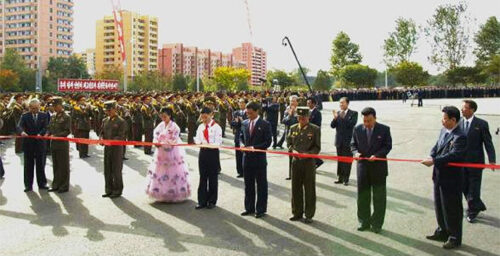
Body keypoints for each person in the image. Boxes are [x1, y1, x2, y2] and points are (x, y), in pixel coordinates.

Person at [421, 106, 467, 250]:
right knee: (440, 206)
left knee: (452, 209)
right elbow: (436, 147)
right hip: (439, 176)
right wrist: (431, 155)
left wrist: (434, 161)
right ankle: (442, 231)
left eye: (444, 119)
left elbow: (454, 155)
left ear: (453, 120)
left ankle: (454, 237)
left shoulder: (461, 136)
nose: (442, 121)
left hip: (452, 179)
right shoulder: (444, 131)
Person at [351, 107, 392, 233]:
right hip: (363, 167)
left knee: (379, 198)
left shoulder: (384, 129)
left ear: (375, 118)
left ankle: (377, 224)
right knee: (363, 196)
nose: (367, 124)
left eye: (369, 121)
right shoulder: (357, 129)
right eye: (364, 121)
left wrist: (378, 155)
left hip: (378, 168)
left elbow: (387, 146)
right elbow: (353, 144)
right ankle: (364, 221)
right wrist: (355, 153)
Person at [459, 100, 495, 223]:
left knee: (474, 188)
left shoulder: (481, 124)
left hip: (476, 162)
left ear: (472, 110)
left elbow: (488, 143)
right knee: (464, 186)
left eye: (464, 107)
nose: (462, 109)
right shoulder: (458, 122)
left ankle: (472, 211)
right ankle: (477, 204)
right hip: (460, 162)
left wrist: (492, 160)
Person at [146, 107, 190, 202]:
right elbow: (156, 134)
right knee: (161, 171)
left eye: (165, 116)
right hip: (161, 152)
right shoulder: (160, 125)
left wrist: (163, 143)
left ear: (170, 116)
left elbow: (174, 140)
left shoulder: (175, 127)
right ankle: (161, 193)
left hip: (172, 151)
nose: (163, 118)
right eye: (162, 116)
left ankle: (173, 193)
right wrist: (156, 142)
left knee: (173, 171)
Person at [287, 107, 321, 224]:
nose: (301, 120)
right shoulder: (292, 128)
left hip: (308, 163)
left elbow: (317, 147)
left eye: (304, 117)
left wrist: (308, 154)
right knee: (295, 187)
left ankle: (309, 214)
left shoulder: (315, 129)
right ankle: (297, 212)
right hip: (296, 162)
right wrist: (293, 151)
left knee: (309, 188)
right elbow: (289, 144)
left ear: (308, 117)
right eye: (299, 117)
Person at [240, 101, 272, 219]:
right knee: (248, 185)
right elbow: (241, 137)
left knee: (261, 185)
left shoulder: (265, 124)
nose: (248, 115)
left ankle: (261, 209)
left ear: (257, 111)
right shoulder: (244, 123)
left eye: (250, 113)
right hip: (246, 159)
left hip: (259, 160)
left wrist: (254, 148)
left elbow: (268, 142)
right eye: (247, 113)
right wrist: (242, 145)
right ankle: (249, 208)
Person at [17, 98, 50, 192]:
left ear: (39, 107)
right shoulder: (25, 116)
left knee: (41, 164)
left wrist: (41, 133)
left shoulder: (44, 115)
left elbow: (46, 127)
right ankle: (28, 185)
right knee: (28, 165)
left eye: (37, 108)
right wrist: (22, 132)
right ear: (29, 108)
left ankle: (42, 183)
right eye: (33, 108)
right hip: (28, 144)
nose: (35, 110)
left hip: (40, 143)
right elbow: (19, 126)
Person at [194, 106, 222, 209]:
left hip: (213, 153)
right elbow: (196, 139)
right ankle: (202, 201)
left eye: (206, 117)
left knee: (213, 178)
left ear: (211, 115)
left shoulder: (216, 127)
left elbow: (218, 142)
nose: (204, 120)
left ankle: (212, 201)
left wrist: (209, 144)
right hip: (203, 152)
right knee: (203, 177)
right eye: (202, 118)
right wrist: (199, 143)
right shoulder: (201, 127)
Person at [100, 101, 127, 199]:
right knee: (107, 169)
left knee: (116, 170)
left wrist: (111, 141)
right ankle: (108, 189)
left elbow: (121, 136)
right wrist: (102, 139)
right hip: (107, 148)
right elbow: (102, 132)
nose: (108, 112)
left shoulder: (121, 121)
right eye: (106, 110)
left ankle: (117, 190)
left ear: (115, 109)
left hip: (116, 149)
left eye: (109, 110)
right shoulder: (105, 120)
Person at [45, 97, 71, 193]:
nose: (54, 108)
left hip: (62, 144)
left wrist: (56, 136)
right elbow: (49, 127)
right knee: (55, 165)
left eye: (55, 106)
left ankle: (64, 185)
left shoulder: (66, 116)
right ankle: (56, 184)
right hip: (54, 143)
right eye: (53, 106)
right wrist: (47, 134)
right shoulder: (53, 116)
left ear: (60, 105)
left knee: (63, 165)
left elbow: (67, 131)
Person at [331, 97, 358, 185]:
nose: (341, 105)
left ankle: (346, 178)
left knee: (347, 160)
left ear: (347, 103)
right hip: (339, 141)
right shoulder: (338, 113)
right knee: (340, 160)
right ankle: (340, 177)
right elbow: (332, 126)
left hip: (348, 141)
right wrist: (335, 118)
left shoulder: (353, 113)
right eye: (340, 103)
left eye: (343, 103)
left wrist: (341, 117)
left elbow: (351, 124)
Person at [230, 99, 247, 178]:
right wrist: (237, 122)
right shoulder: (236, 112)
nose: (241, 104)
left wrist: (241, 121)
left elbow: (247, 123)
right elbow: (232, 123)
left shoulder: (248, 113)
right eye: (240, 102)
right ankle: (240, 171)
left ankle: (246, 171)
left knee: (245, 155)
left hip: (245, 137)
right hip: (237, 136)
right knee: (238, 155)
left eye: (242, 102)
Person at [307, 97, 323, 169]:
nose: (307, 104)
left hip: (314, 134)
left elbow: (318, 125)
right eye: (307, 103)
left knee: (312, 149)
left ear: (313, 104)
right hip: (307, 133)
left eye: (309, 103)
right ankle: (315, 162)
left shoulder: (317, 113)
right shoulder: (307, 111)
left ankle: (318, 161)